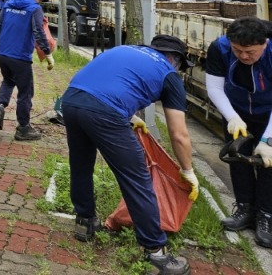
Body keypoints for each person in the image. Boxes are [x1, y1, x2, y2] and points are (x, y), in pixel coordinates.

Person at [60, 35, 197, 275]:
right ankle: (156, 253)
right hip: (104, 113)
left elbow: (103, 82)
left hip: (71, 101)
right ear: (175, 60)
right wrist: (188, 171)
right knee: (137, 179)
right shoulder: (169, 74)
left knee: (81, 164)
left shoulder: (124, 50)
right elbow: (179, 134)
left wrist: (129, 115)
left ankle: (85, 222)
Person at [205, 16, 272, 247]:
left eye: (250, 52)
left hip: (269, 112)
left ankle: (266, 215)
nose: (244, 56)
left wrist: (268, 139)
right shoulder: (219, 48)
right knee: (238, 158)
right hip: (237, 110)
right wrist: (232, 117)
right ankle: (244, 208)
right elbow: (214, 88)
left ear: (265, 43)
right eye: (238, 50)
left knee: (268, 163)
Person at [0, 0, 53, 140]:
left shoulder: (9, 3)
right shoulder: (35, 8)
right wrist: (48, 54)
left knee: (8, 81)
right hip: (20, 57)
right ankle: (23, 128)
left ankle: (0, 106)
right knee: (25, 92)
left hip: (3, 53)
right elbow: (39, 32)